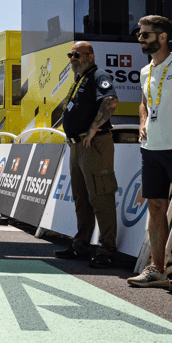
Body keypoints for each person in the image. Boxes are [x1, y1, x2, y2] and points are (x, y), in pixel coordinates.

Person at [127, 15, 172, 291]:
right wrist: (142, 122)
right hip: (151, 147)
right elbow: (144, 102)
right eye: (139, 34)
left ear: (163, 36)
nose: (140, 39)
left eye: (145, 34)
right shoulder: (146, 70)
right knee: (155, 207)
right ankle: (157, 270)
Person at [54, 42, 119, 268]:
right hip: (76, 146)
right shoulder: (80, 78)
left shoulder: (99, 75)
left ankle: (107, 250)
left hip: (93, 144)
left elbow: (110, 100)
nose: (72, 58)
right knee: (81, 198)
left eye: (77, 55)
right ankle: (81, 245)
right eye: (70, 55)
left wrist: (92, 129)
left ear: (90, 56)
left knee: (100, 197)